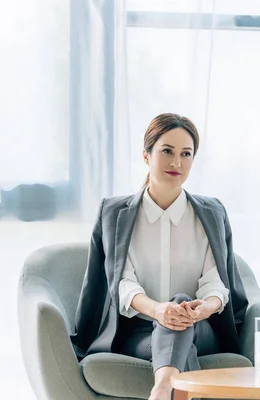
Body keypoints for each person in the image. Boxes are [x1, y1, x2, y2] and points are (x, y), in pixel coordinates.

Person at [70, 113, 248, 400]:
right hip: (137, 333)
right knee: (171, 322)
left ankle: (162, 389)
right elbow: (123, 284)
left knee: (178, 308)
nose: (176, 162)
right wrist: (157, 311)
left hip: (200, 328)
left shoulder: (211, 213)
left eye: (185, 154)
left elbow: (217, 284)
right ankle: (167, 386)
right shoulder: (115, 213)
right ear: (146, 155)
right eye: (167, 151)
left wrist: (202, 309)